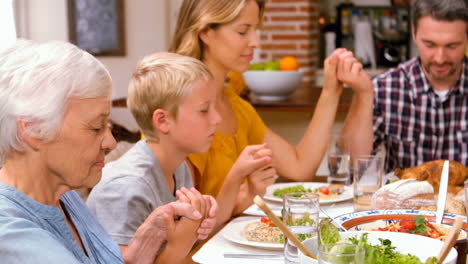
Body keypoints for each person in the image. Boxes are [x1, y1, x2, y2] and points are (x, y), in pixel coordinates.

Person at [0, 39, 215, 264]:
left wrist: (145, 241)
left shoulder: (63, 195)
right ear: (34, 130)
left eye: (108, 126)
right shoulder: (10, 235)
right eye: (95, 127)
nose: (111, 142)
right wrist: (176, 248)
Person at [87, 52, 270, 258]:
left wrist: (236, 178)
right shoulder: (125, 189)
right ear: (163, 120)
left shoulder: (177, 167)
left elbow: (199, 234)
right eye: (204, 110)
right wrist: (180, 243)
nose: (217, 119)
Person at [169, 0, 344, 214]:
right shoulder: (176, 112)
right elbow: (185, 224)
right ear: (205, 32)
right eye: (243, 31)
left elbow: (300, 167)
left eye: (255, 30)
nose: (255, 42)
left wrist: (331, 90)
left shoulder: (235, 106)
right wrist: (245, 194)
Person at [340, 0, 468, 172]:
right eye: (429, 44)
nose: (440, 58)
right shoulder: (385, 88)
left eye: (452, 46)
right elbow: (352, 163)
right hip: (404, 198)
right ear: (414, 34)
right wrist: (363, 95)